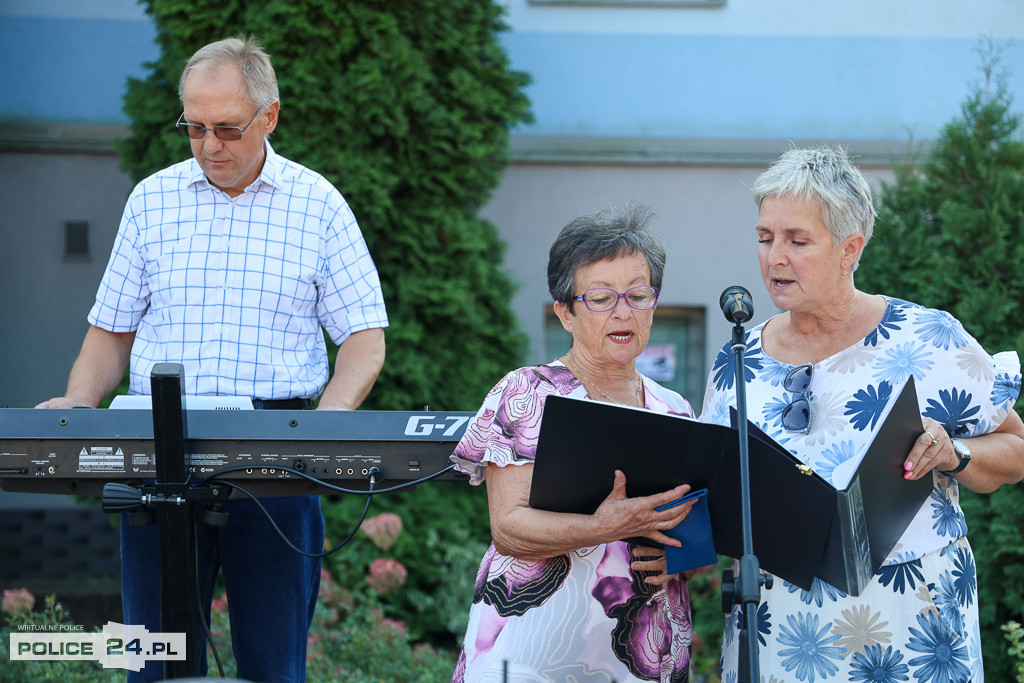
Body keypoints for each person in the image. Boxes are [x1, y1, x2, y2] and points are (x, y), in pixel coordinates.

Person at [36, 36, 388, 682]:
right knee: (154, 666)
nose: (207, 145)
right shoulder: (151, 201)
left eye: (226, 128)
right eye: (193, 127)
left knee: (273, 669)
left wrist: (324, 423)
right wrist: (77, 408)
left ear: (270, 117)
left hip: (278, 464)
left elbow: (365, 339)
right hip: (156, 458)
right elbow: (110, 333)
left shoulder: (319, 206)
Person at [700, 145, 1024, 681]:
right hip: (779, 633)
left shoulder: (927, 338)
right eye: (764, 237)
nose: (774, 256)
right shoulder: (738, 359)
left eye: (796, 240)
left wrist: (955, 451)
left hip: (913, 626)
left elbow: (1015, 451)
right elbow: (713, 494)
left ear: (850, 248)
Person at [450, 205, 702, 682]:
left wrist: (682, 557)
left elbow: (695, 532)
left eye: (638, 294)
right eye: (602, 297)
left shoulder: (677, 410)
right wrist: (605, 525)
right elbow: (509, 529)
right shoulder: (526, 392)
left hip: (644, 655)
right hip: (536, 650)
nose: (623, 311)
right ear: (565, 312)